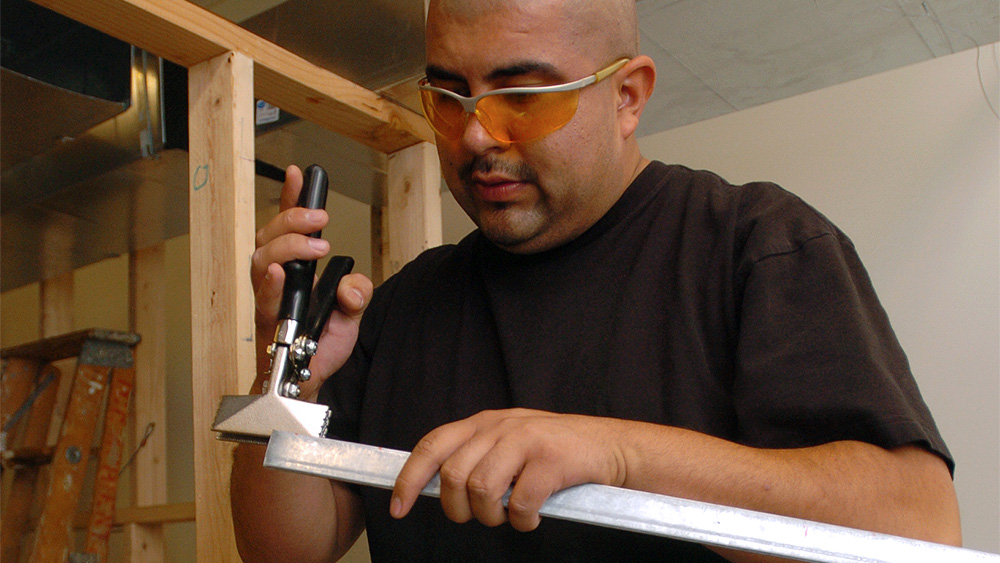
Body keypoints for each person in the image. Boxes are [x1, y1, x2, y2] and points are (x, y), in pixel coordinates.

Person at [231, 0, 962, 561]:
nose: (478, 136)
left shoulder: (756, 246)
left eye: (522, 97)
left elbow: (919, 528)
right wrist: (284, 380)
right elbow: (287, 547)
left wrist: (617, 456)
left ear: (628, 97)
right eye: (450, 99)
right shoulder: (403, 308)